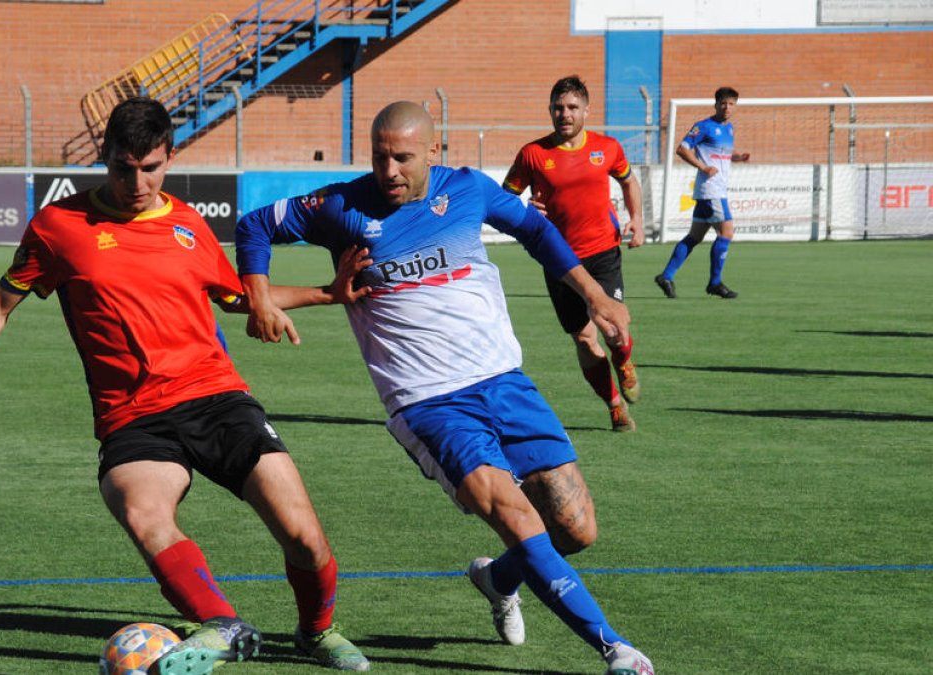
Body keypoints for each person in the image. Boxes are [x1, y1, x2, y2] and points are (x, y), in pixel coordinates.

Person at [0, 97, 370, 674]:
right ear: (105, 156)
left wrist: (326, 294)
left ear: (170, 158)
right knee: (142, 513)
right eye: (123, 168)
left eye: (150, 168)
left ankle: (316, 631)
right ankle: (222, 624)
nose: (136, 183)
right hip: (133, 417)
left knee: (304, 538)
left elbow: (237, 298)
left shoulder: (188, 225)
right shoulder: (58, 227)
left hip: (217, 399)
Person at [235, 101, 654, 675]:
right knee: (516, 517)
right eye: (379, 157)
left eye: (403, 158)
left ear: (434, 151)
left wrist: (595, 294)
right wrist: (259, 295)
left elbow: (535, 229)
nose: (388, 171)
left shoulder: (468, 189)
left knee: (574, 530)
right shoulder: (341, 205)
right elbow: (255, 225)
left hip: (504, 380)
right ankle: (618, 651)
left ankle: (497, 578)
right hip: (427, 401)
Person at [502, 75, 644, 433]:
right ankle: (614, 406)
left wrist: (638, 219)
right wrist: (526, 208)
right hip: (558, 259)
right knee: (583, 338)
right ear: (550, 110)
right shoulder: (533, 154)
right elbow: (504, 198)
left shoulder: (607, 148)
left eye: (572, 107)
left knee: (613, 327)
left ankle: (623, 361)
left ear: (586, 110)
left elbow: (629, 181)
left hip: (603, 251)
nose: (564, 114)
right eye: (558, 107)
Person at [655, 86, 750, 299]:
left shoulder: (729, 128)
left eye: (731, 104)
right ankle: (715, 283)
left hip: (715, 189)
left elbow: (721, 154)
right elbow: (682, 149)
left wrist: (737, 157)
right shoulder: (704, 126)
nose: (727, 107)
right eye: (723, 103)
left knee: (695, 236)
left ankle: (666, 276)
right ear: (715, 104)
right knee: (726, 233)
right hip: (711, 189)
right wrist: (703, 167)